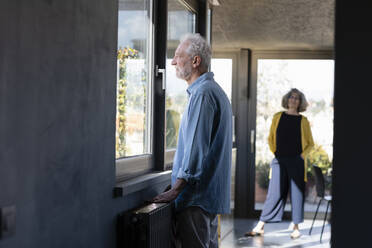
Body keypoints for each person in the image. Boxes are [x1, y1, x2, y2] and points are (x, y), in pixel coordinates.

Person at [151, 33, 232, 248]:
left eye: (178, 56)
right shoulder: (215, 91)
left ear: (195, 61)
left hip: (195, 197)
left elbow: (197, 147)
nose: (173, 62)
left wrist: (176, 188)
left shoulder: (203, 94)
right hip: (208, 197)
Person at [245, 88, 314, 239]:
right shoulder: (278, 117)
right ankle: (260, 225)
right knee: (274, 193)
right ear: (287, 99)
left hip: (297, 161)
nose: (293, 100)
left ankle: (296, 228)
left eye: (296, 98)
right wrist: (275, 152)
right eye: (291, 97)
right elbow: (270, 137)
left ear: (300, 102)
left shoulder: (303, 121)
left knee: (297, 194)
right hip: (279, 160)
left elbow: (310, 143)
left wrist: (301, 156)